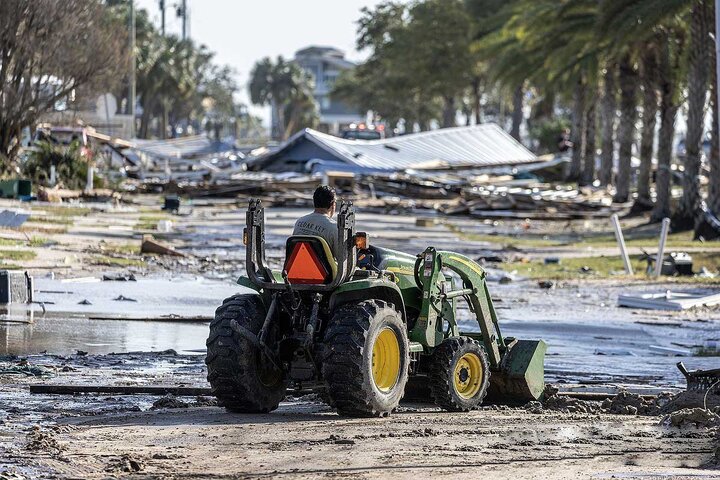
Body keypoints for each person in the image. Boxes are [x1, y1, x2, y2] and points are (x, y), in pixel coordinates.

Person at [293, 185, 338, 254]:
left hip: (298, 264)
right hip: (322, 265)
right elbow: (342, 259)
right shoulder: (334, 228)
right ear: (333, 205)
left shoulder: (299, 222)